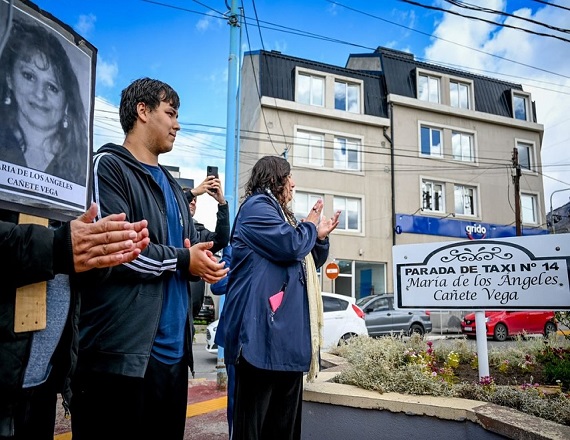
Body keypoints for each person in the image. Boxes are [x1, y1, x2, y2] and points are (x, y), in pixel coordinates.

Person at [70, 77, 228, 440]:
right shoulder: (108, 166)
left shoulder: (173, 186)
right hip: (119, 358)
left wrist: (201, 261)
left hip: (172, 360)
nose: (178, 124)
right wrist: (183, 260)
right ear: (143, 111)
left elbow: (193, 246)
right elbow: (116, 249)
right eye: (171, 113)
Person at [0, 202, 150, 439]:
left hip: (43, 378)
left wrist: (98, 257)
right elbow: (57, 247)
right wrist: (57, 247)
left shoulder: (68, 181)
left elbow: (70, 259)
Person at [218, 155, 341, 440]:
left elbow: (307, 256)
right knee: (254, 430)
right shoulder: (256, 208)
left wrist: (319, 237)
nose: (293, 184)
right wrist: (309, 226)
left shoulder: (281, 216)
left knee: (283, 429)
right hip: (259, 341)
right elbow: (291, 245)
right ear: (275, 180)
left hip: (284, 341)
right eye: (289, 178)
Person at [0, 18, 88, 185]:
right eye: (29, 76)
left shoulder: (83, 170)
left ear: (67, 102)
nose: (40, 94)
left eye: (52, 87)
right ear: (10, 78)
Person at [183, 177, 230, 320]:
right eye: (189, 198)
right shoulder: (167, 228)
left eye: (195, 201)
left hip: (191, 311)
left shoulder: (199, 233)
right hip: (169, 305)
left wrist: (222, 204)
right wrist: (194, 192)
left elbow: (221, 239)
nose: (192, 201)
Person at [209, 245, 235, 436]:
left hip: (265, 335)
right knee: (236, 398)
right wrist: (245, 270)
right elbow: (217, 285)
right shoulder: (232, 249)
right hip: (235, 336)